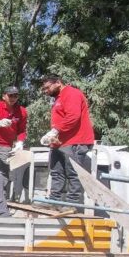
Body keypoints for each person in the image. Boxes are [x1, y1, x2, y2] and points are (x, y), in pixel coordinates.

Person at [39, 74, 95, 205]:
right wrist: (53, 135)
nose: (46, 91)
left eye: (48, 88)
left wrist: (55, 130)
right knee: (56, 172)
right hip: (59, 142)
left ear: (58, 82)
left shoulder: (72, 93)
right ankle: (54, 201)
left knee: (73, 172)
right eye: (44, 89)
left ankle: (72, 203)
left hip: (75, 140)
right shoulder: (57, 98)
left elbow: (73, 117)